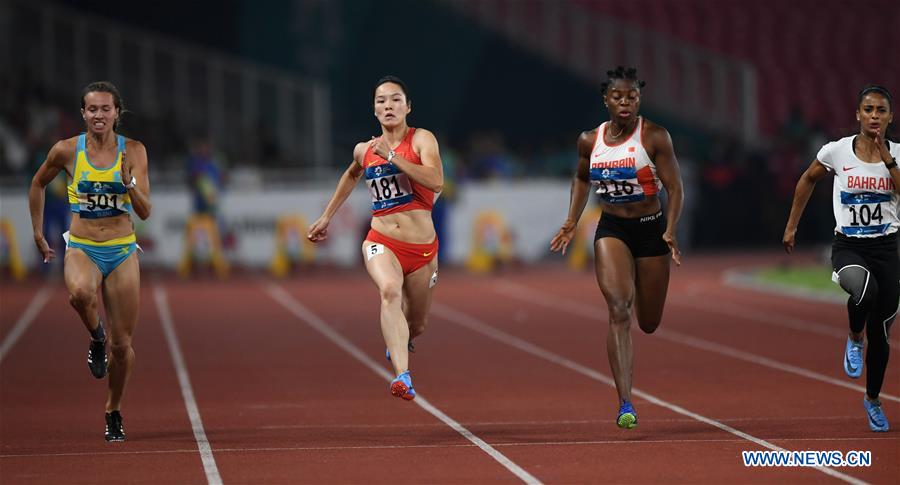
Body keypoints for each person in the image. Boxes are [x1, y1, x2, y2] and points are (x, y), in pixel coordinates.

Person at [550, 66, 684, 429]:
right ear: (605, 100)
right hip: (612, 229)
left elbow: (675, 187)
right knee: (619, 309)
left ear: (639, 99)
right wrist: (571, 220)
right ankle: (626, 401)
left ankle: (642, 285)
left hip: (650, 229)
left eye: (632, 97)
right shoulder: (588, 141)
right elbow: (581, 178)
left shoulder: (654, 136)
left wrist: (670, 229)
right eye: (617, 97)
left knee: (649, 322)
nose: (625, 103)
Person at [28, 81, 152, 441]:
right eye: (92, 109)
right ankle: (95, 336)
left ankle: (113, 408)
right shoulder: (67, 151)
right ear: (83, 113)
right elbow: (37, 184)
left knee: (123, 346)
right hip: (82, 245)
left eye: (105, 109)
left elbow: (144, 211)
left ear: (117, 112)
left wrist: (128, 182)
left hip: (122, 249)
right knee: (80, 295)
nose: (99, 115)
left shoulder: (136, 151)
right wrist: (37, 232)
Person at [308, 75, 443, 400]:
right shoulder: (364, 150)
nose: (388, 105)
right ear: (374, 110)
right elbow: (352, 173)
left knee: (418, 324)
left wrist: (393, 156)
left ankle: (399, 341)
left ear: (408, 107)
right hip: (381, 241)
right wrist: (327, 216)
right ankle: (402, 377)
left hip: (423, 250)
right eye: (381, 101)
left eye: (395, 99)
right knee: (388, 291)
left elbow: (436, 181)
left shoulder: (422, 139)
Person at [783, 84, 898, 432]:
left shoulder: (898, 154)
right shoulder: (837, 151)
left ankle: (873, 400)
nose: (874, 116)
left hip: (888, 249)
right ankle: (853, 337)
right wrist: (791, 226)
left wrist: (887, 157)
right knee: (864, 291)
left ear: (890, 117)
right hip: (849, 246)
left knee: (882, 335)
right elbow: (807, 179)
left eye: (881, 110)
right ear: (857, 115)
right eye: (868, 110)